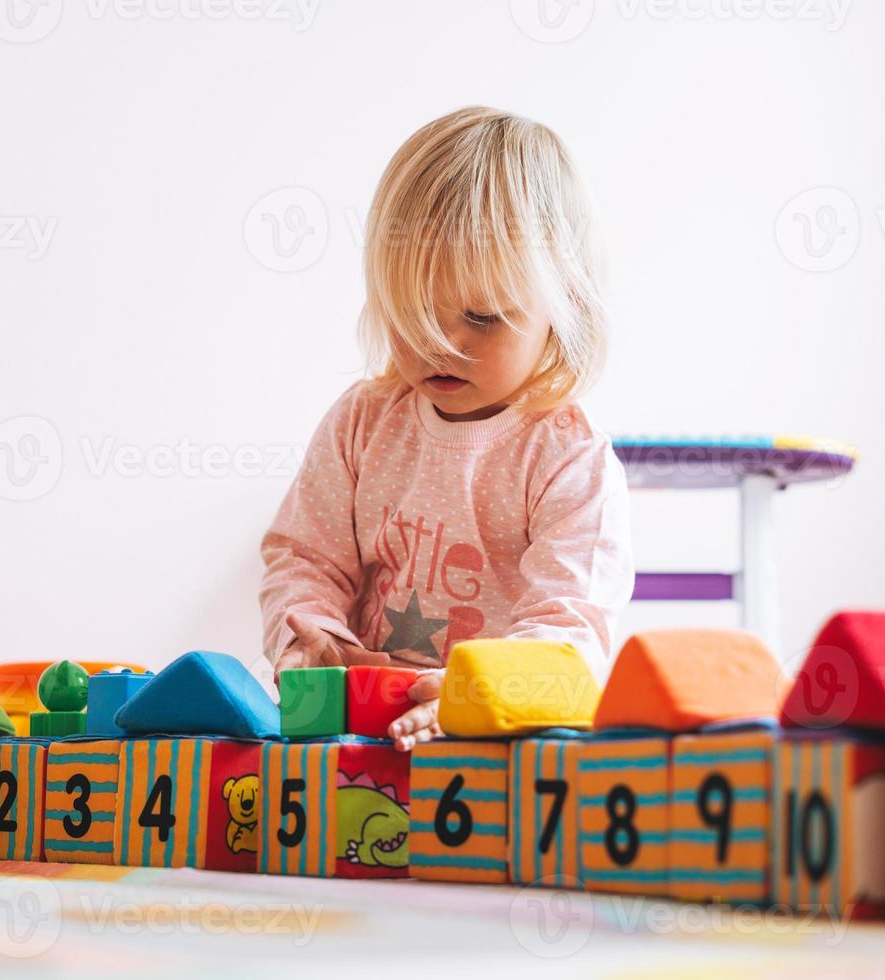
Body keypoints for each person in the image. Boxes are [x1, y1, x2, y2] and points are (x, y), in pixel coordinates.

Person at [260, 106, 634, 750]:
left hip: (496, 745)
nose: (442, 345)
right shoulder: (363, 421)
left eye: (482, 318)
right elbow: (304, 557)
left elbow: (570, 627)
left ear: (563, 307)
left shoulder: (568, 456)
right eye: (413, 316)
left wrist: (476, 696)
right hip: (360, 735)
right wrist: (309, 636)